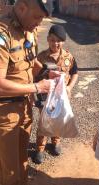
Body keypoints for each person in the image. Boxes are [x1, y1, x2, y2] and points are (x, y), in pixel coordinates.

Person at [0, 1, 59, 185]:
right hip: (3, 112)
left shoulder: (29, 28)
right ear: (22, 7)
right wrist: (38, 87)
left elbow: (28, 61)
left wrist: (46, 72)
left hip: (24, 106)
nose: (40, 23)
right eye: (37, 16)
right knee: (8, 171)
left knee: (21, 160)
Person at [34, 24, 79, 164]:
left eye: (59, 40)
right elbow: (34, 77)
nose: (56, 43)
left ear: (63, 41)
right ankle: (40, 148)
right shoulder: (41, 57)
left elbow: (75, 73)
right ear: (48, 39)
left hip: (62, 97)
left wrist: (70, 87)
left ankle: (56, 142)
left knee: (58, 119)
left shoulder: (69, 57)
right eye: (53, 40)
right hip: (46, 97)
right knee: (45, 121)